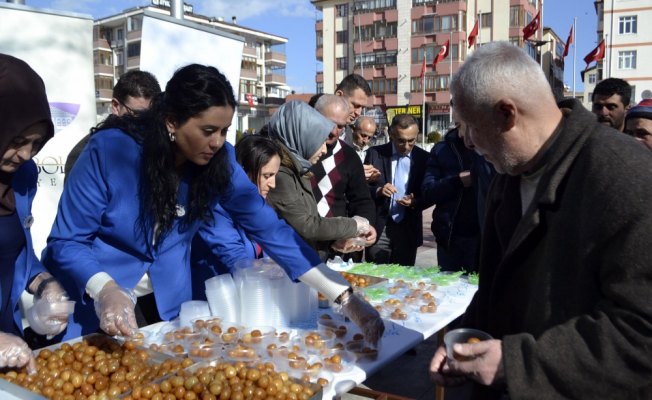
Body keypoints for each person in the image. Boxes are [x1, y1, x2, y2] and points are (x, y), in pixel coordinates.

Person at [42, 65, 384, 346]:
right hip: (99, 304)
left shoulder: (220, 161)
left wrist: (344, 297)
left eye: (224, 130)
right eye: (208, 130)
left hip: (168, 308)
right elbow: (67, 242)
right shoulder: (112, 152)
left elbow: (272, 229)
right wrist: (106, 288)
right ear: (172, 121)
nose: (217, 142)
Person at [429, 41, 652, 399]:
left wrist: (515, 364)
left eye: (470, 126)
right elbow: (497, 286)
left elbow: (641, 331)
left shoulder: (625, 173)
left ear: (507, 114)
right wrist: (466, 331)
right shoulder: (510, 172)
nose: (467, 142)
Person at [0, 54, 71, 369]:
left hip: (9, 339)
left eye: (36, 143)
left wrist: (44, 283)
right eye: (17, 140)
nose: (26, 154)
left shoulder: (22, 176)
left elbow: (17, 253)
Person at [262, 100, 377, 261]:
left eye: (341, 126)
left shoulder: (301, 167)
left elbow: (361, 200)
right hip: (289, 262)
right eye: (320, 134)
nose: (324, 147)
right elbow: (308, 225)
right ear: (303, 132)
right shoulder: (280, 171)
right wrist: (354, 226)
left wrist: (338, 239)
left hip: (316, 255)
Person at [190, 134, 282, 292]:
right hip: (214, 301)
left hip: (246, 294)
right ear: (244, 173)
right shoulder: (214, 206)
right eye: (267, 176)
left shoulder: (259, 204)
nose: (273, 184)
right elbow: (234, 256)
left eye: (275, 175)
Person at [64, 70, 161, 176]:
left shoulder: (161, 144)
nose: (146, 121)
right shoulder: (85, 152)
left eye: (152, 115)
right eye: (138, 114)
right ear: (116, 106)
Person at [364, 114, 429, 266]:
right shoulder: (375, 154)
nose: (406, 146)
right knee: (376, 278)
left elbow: (429, 193)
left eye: (411, 141)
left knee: (403, 282)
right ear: (391, 134)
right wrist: (378, 191)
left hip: (408, 229)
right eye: (401, 140)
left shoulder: (424, 158)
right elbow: (361, 189)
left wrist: (415, 201)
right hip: (380, 227)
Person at [421, 123, 483, 272]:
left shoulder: (490, 146)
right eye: (465, 125)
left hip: (483, 238)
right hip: (449, 237)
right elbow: (428, 191)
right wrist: (457, 181)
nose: (469, 135)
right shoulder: (442, 149)